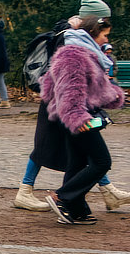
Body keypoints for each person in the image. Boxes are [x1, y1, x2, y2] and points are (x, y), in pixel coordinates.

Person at [38, 15, 123, 225]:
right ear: (93, 33)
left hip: (74, 116)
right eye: (104, 35)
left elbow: (53, 87)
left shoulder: (87, 54)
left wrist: (116, 97)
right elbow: (69, 91)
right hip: (77, 118)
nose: (106, 40)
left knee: (77, 163)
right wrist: (76, 116)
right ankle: (62, 197)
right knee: (101, 161)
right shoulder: (74, 55)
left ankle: (76, 210)